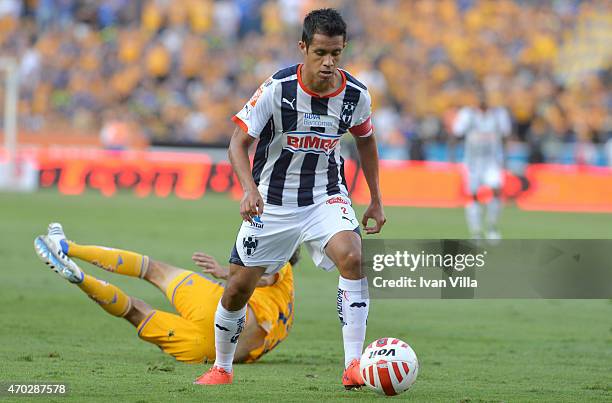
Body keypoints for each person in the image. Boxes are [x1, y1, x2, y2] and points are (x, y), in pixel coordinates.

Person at [196, 8, 386, 388]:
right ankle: (222, 368)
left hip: (325, 196)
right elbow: (238, 143)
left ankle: (353, 367)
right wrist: (249, 189)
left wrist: (376, 200)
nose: (329, 62)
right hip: (273, 202)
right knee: (237, 289)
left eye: (336, 53)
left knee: (352, 256)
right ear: (303, 48)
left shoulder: (356, 95)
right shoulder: (276, 88)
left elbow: (366, 142)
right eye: (320, 53)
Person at [33, 223, 297, 364]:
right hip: (208, 351)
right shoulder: (286, 316)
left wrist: (225, 273)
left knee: (153, 270)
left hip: (221, 311)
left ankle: (66, 247)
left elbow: (262, 278)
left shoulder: (280, 263)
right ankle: (80, 278)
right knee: (135, 311)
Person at [452, 89, 512, 241]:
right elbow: (456, 133)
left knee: (496, 189)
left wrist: (505, 159)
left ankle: (492, 227)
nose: (483, 101)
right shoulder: (468, 114)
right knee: (473, 195)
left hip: (492, 161)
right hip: (473, 162)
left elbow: (505, 136)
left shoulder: (499, 115)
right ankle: (476, 231)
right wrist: (452, 156)